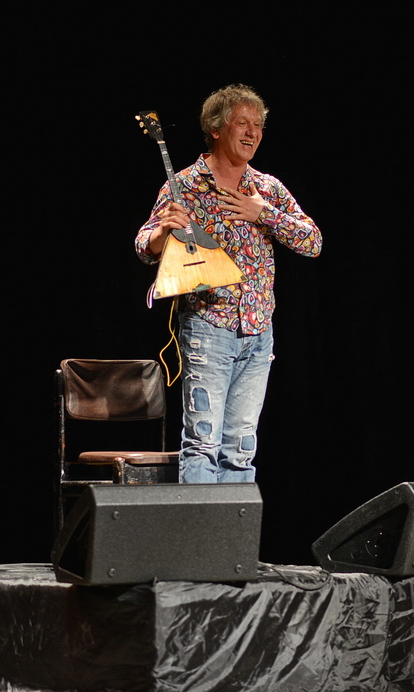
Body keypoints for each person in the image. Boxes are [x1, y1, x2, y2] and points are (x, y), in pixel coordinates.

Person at [135, 83, 322, 483]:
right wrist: (163, 233)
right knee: (202, 443)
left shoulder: (266, 189)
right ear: (216, 129)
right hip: (208, 328)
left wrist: (263, 213)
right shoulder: (185, 185)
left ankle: (231, 527)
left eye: (258, 125)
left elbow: (313, 242)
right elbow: (144, 246)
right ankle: (199, 527)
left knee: (241, 449)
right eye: (242, 123)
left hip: (259, 332)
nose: (253, 132)